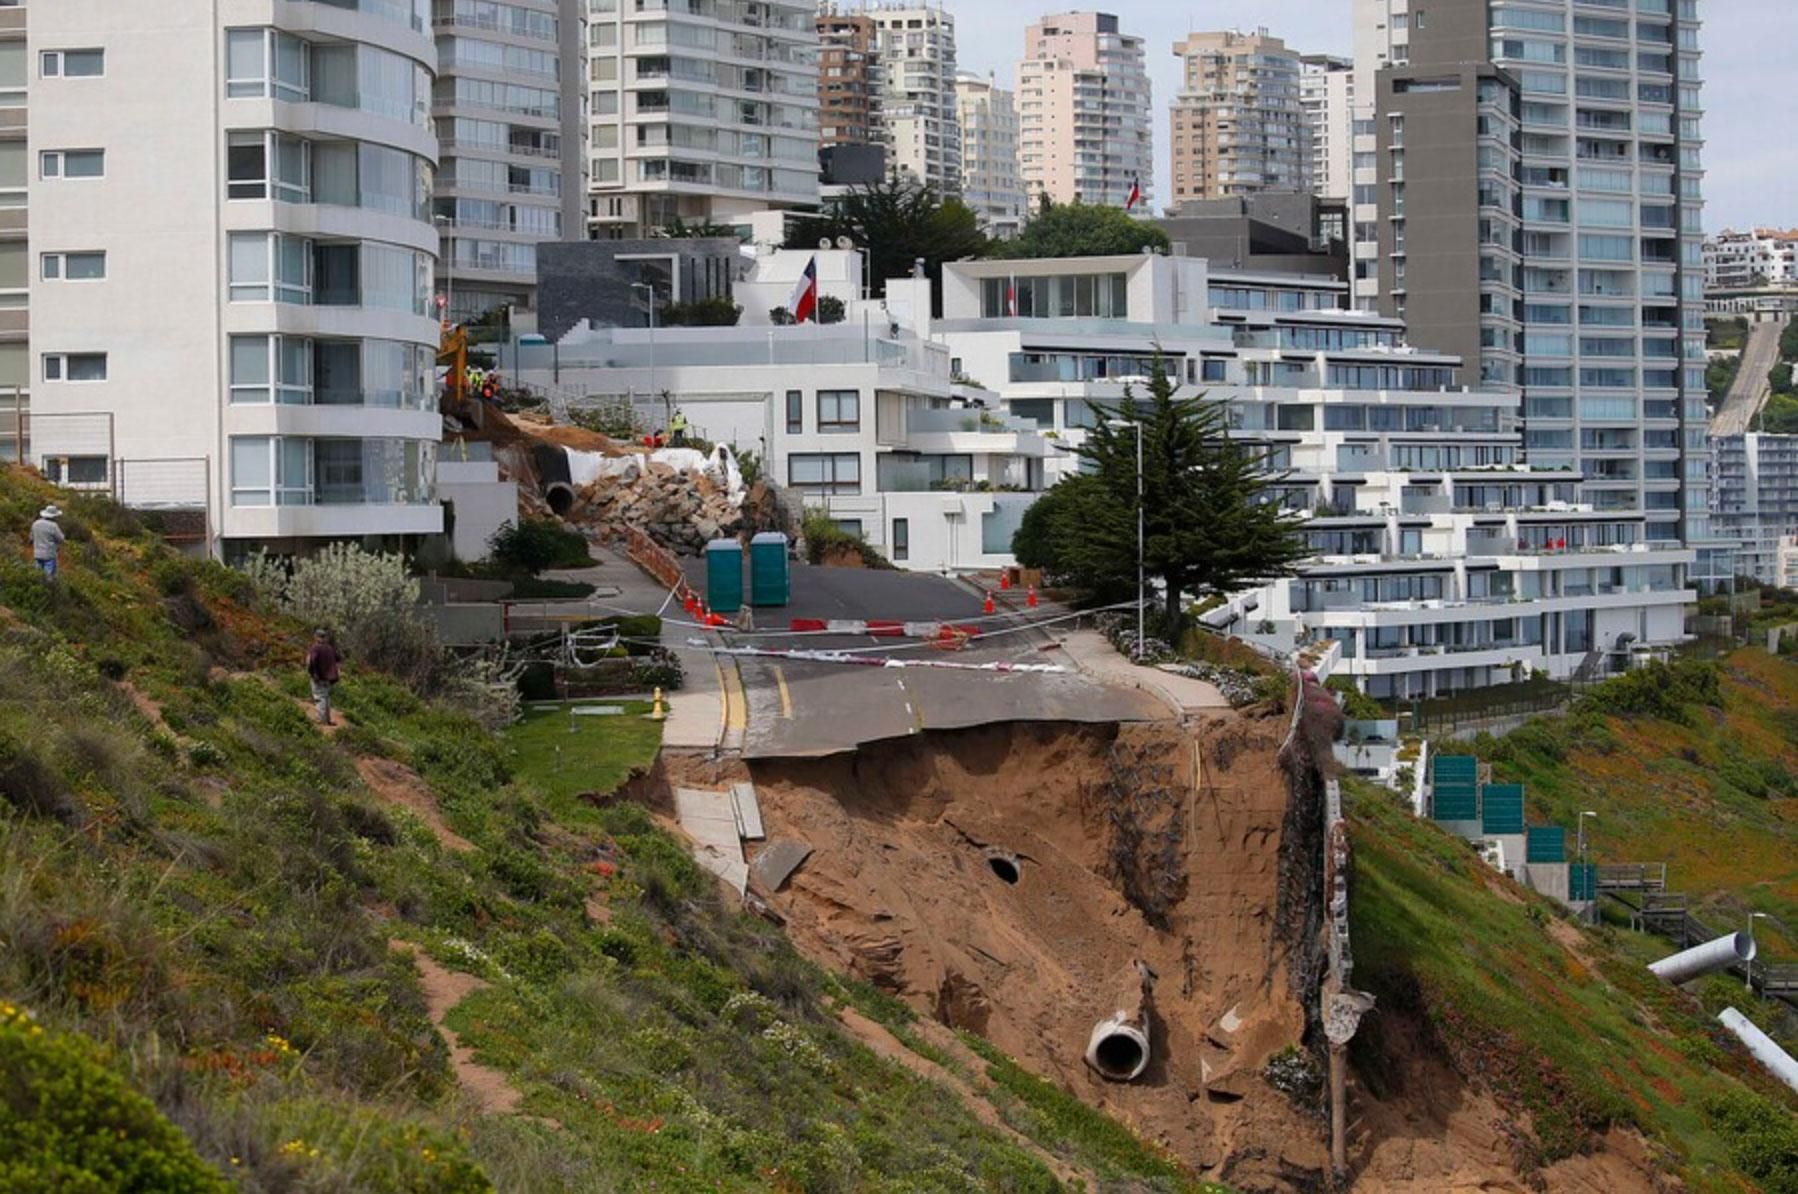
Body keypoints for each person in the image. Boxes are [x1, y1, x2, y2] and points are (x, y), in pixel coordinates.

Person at [305, 628, 343, 726]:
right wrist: (337, 671)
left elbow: (311, 661)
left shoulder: (315, 648)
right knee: (326, 697)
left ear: (316, 637)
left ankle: (321, 720)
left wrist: (312, 673)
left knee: (320, 697)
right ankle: (327, 719)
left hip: (319, 677)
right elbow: (339, 659)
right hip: (330, 678)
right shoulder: (330, 648)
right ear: (324, 637)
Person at [30, 505, 65, 580]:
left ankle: (37, 590)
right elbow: (61, 539)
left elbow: (31, 538)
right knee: (48, 577)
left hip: (37, 554)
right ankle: (48, 590)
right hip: (49, 554)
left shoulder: (35, 523)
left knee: (38, 575)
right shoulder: (53, 526)